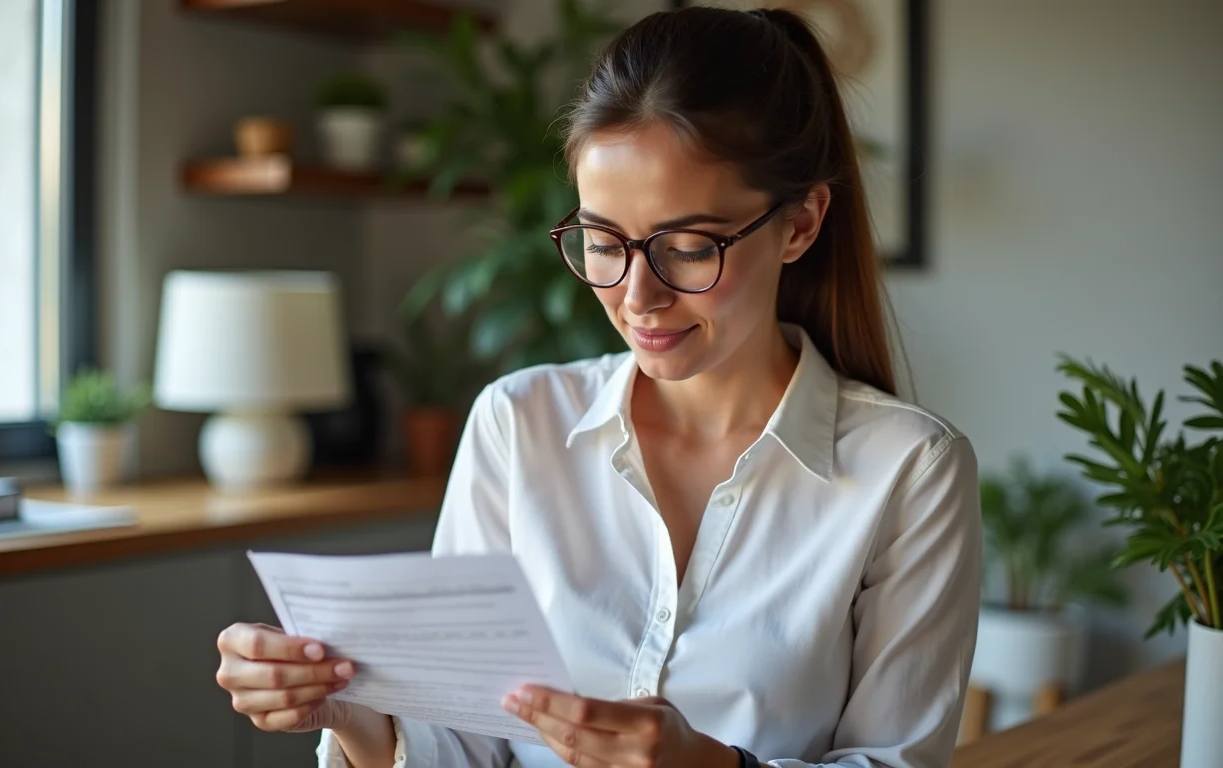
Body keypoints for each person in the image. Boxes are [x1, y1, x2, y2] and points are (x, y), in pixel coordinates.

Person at [214, 6, 981, 767]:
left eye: (689, 247)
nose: (637, 297)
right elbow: (464, 743)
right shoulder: (518, 424)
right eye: (603, 241)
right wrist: (353, 713)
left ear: (803, 222)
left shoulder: (910, 469)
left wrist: (708, 767)